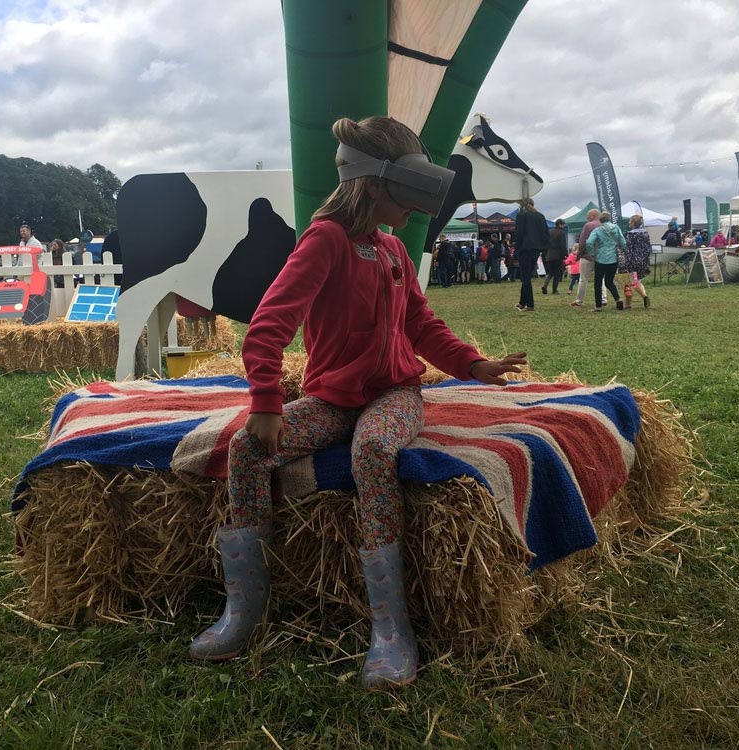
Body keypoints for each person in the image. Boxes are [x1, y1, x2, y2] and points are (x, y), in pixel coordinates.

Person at [188, 115, 527, 690]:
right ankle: (243, 610)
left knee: (372, 450)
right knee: (247, 449)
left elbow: (421, 324)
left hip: (397, 395)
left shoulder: (394, 249)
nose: (417, 207)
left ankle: (391, 629)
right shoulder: (325, 241)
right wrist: (266, 403)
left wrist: (472, 364)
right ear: (376, 185)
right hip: (330, 400)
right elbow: (268, 325)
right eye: (412, 189)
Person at [585, 211, 625, 312]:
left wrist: (592, 253)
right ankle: (618, 299)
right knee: (609, 281)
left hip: (600, 259)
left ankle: (598, 306)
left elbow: (589, 242)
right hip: (613, 259)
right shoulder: (616, 227)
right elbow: (623, 241)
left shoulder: (597, 230)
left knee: (598, 283)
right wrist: (621, 250)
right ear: (609, 219)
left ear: (600, 220)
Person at [513, 199, 548, 311]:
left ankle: (530, 304)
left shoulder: (521, 215)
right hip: (536, 249)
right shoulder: (540, 216)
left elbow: (519, 234)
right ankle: (522, 302)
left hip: (525, 248)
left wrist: (516, 248)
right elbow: (546, 234)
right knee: (526, 275)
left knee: (526, 277)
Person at [620, 214, 652, 309]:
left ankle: (629, 304)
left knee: (628, 281)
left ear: (633, 223)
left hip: (632, 260)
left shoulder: (630, 234)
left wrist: (624, 261)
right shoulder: (645, 233)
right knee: (637, 280)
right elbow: (648, 247)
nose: (629, 222)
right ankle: (644, 296)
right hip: (643, 260)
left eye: (630, 221)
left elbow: (627, 249)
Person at [570, 208, 600, 308]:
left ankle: (579, 300)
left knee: (583, 279)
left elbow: (582, 241)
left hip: (587, 255)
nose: (587, 217)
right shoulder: (603, 225)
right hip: (600, 256)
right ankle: (603, 298)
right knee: (601, 278)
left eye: (588, 215)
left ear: (592, 216)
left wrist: (579, 253)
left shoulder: (588, 225)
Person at [542, 218, 568, 295]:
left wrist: (546, 254)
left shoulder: (550, 232)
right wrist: (566, 254)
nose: (563, 226)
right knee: (557, 273)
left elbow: (545, 244)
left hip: (549, 255)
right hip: (557, 255)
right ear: (560, 224)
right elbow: (562, 245)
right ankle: (554, 290)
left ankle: (545, 286)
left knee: (550, 273)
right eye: (563, 224)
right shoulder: (561, 233)